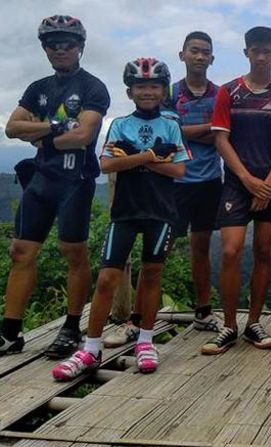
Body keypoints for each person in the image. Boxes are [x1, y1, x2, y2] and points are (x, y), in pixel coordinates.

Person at [51, 58, 189, 380]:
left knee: (152, 274)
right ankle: (90, 348)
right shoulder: (120, 124)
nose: (148, 92)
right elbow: (106, 165)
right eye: (141, 86)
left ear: (163, 90)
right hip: (125, 212)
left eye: (154, 86)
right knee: (106, 279)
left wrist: (133, 158)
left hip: (160, 211)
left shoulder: (171, 125)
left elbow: (180, 170)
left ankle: (145, 340)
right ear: (130, 91)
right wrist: (151, 157)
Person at [103, 31, 222, 349]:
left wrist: (186, 134)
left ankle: (203, 311)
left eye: (205, 52)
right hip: (172, 185)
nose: (199, 56)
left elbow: (221, 133)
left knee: (201, 247)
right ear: (182, 55)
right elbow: (169, 132)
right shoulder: (168, 92)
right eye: (194, 51)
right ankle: (136, 322)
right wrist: (205, 130)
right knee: (157, 258)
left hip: (209, 179)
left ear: (212, 58)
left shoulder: (219, 94)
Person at [1, 15, 110, 358]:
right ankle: (9, 333)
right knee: (21, 253)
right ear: (45, 49)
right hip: (42, 181)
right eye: (53, 44)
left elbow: (83, 136)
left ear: (80, 47)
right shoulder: (38, 88)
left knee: (73, 252)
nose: (61, 50)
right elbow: (11, 128)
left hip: (75, 182)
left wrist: (40, 132)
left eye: (68, 44)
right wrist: (57, 127)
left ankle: (71, 327)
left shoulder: (93, 87)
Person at [200, 26, 271, 355]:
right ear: (246, 53)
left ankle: (253, 322)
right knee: (230, 251)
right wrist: (247, 180)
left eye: (266, 51)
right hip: (237, 183)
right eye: (255, 50)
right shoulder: (229, 92)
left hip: (268, 183)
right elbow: (221, 139)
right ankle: (229, 325)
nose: (260, 56)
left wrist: (267, 184)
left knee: (264, 251)